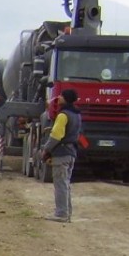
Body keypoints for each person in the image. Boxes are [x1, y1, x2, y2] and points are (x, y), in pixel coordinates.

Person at [40, 88, 82, 223]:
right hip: (71, 153)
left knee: (60, 184)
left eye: (61, 96)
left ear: (65, 99)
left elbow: (56, 136)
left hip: (61, 153)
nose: (59, 97)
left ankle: (61, 214)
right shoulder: (77, 115)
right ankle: (67, 213)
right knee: (65, 184)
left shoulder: (63, 115)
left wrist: (46, 149)